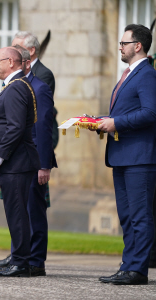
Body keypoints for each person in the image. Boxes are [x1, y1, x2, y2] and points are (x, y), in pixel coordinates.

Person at [0, 30, 57, 269]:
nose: (13, 53)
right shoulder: (20, 84)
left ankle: (35, 260)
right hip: (16, 158)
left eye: (16, 49)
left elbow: (42, 127)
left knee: (33, 210)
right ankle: (20, 255)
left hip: (30, 159)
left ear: (25, 57)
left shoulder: (39, 84)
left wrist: (44, 164)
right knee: (20, 210)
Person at [97, 24, 156, 285]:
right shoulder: (129, 74)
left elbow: (151, 113)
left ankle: (137, 270)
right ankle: (127, 265)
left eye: (124, 43)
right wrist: (103, 122)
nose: (120, 47)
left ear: (138, 46)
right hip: (122, 155)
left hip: (140, 157)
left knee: (140, 215)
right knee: (127, 215)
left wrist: (116, 123)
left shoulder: (146, 74)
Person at [0, 47, 40, 277]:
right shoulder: (15, 85)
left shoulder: (17, 87)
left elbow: (15, 127)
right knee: (15, 211)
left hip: (16, 162)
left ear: (10, 62)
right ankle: (18, 258)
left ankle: (20, 262)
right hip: (15, 162)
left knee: (17, 212)